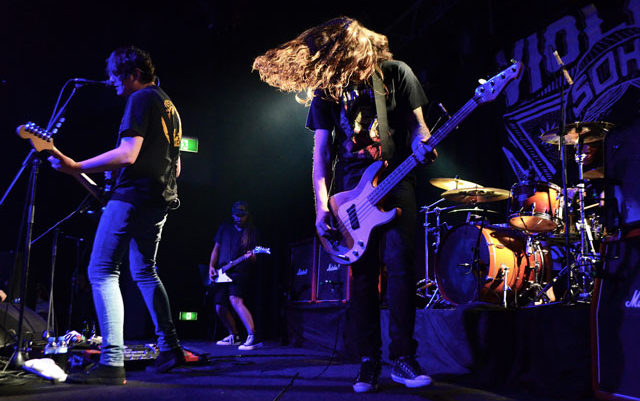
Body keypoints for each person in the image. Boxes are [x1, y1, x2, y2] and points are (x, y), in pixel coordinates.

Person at [253, 17, 437, 393]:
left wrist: (423, 142)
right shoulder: (328, 90)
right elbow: (321, 153)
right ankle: (368, 360)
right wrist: (322, 207)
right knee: (364, 279)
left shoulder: (396, 73)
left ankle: (403, 358)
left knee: (401, 270)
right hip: (352, 193)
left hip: (397, 181)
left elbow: (420, 126)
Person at [48, 46, 184, 384]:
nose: (111, 82)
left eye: (115, 76)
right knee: (145, 272)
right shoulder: (169, 105)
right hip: (159, 199)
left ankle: (111, 363)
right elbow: (176, 166)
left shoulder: (140, 99)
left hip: (133, 198)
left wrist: (76, 165)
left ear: (134, 74)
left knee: (102, 272)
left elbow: (127, 154)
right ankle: (170, 347)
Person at [208, 200, 262, 350]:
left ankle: (253, 336)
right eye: (237, 215)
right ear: (232, 215)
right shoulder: (224, 228)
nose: (240, 218)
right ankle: (234, 336)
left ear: (247, 215)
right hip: (222, 271)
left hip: (239, 271)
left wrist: (252, 257)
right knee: (219, 307)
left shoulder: (252, 232)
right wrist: (211, 266)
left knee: (235, 300)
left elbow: (254, 256)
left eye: (242, 215)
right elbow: (216, 248)